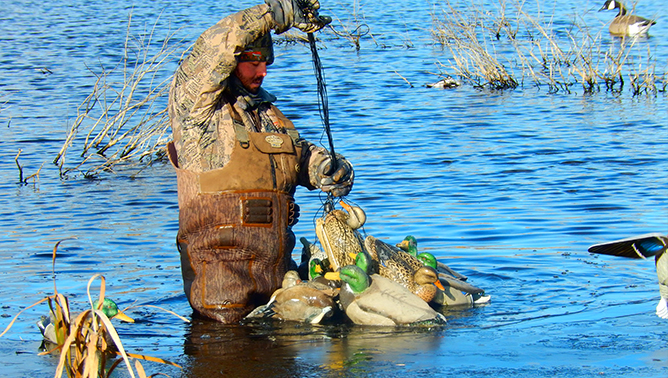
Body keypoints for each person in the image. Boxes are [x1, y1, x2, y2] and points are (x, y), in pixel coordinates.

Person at [167, 0, 354, 323]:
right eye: (253, 61)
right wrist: (275, 13)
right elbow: (214, 46)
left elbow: (297, 154)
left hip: (277, 290)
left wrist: (327, 168)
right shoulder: (198, 111)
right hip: (221, 300)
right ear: (232, 61)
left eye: (266, 61)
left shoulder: (267, 114)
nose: (263, 71)